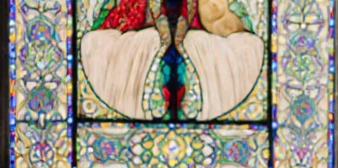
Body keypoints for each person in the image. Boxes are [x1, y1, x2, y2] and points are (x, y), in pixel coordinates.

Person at [80, 0, 263, 121]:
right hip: (151, 34)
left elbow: (222, 19)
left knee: (242, 47)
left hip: (192, 37)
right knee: (104, 44)